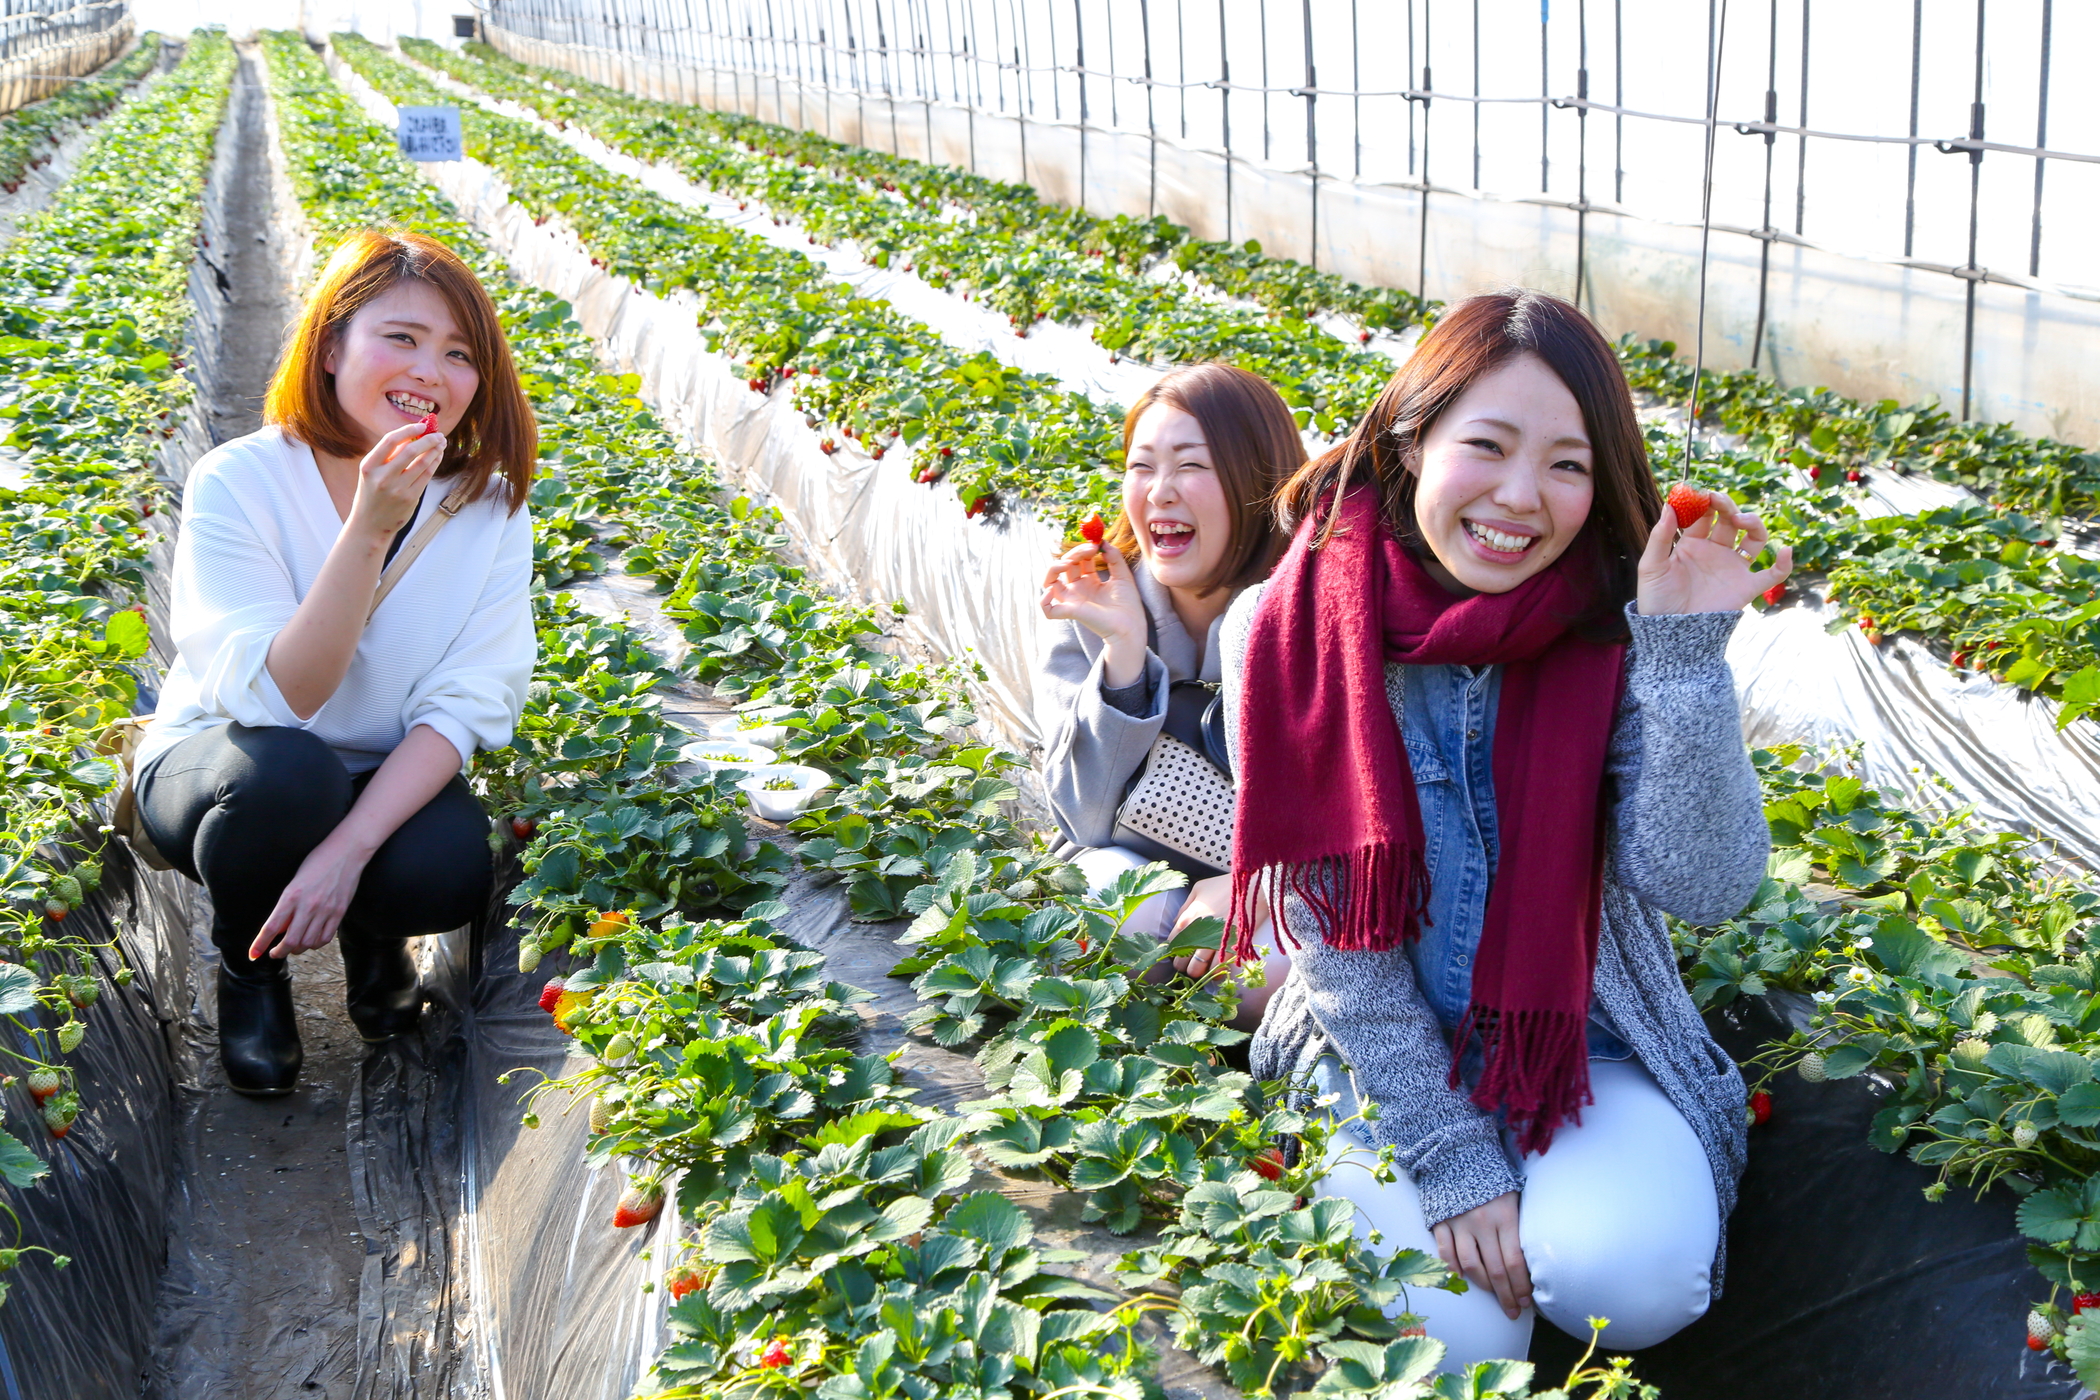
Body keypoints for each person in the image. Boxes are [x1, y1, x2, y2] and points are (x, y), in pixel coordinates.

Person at [1216, 290, 1789, 1366]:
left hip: (1579, 1037)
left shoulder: (1615, 630)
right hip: (1371, 1048)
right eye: (1487, 443)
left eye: (1569, 464)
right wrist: (1447, 1150)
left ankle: (1560, 1205)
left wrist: (1686, 657)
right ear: (1411, 436)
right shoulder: (1285, 629)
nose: (1521, 497)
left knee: (1637, 1276)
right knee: (1458, 1337)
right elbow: (1335, 940)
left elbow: (1705, 882)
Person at [134, 230, 537, 1096]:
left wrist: (351, 852)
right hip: (229, 765)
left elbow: (462, 707)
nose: (431, 371)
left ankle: (372, 931)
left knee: (450, 864)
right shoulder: (238, 481)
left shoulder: (489, 508)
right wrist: (370, 526)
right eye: (402, 338)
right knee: (289, 776)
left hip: (373, 778)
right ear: (329, 348)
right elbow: (284, 697)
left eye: (460, 353)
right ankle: (250, 967)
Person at [1035, 362, 1300, 1018]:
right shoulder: (1099, 601)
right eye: (1142, 466)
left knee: (1254, 973)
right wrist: (1124, 652)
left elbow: (1355, 809)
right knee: (1119, 914)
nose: (1159, 492)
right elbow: (1083, 821)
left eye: (1191, 466)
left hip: (1274, 883)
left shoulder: (1313, 608)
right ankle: (1144, 1042)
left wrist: (1252, 880)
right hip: (1127, 858)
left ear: (1257, 480)